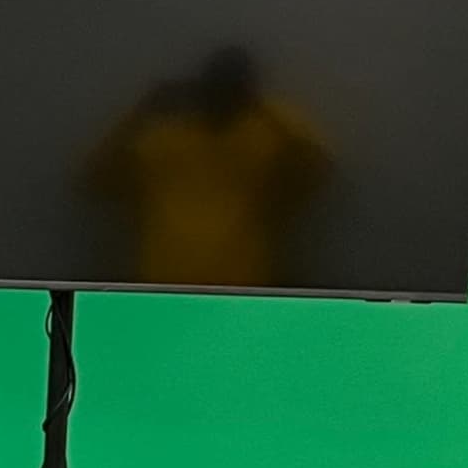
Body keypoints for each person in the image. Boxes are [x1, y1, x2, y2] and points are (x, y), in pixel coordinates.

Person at [77, 44, 330, 288]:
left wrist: (263, 105)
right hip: (161, 283)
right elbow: (93, 176)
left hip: (246, 285)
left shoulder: (263, 142)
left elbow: (320, 164)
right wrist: (141, 111)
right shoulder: (165, 138)